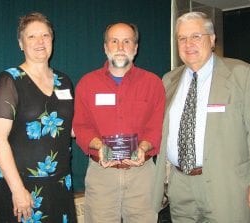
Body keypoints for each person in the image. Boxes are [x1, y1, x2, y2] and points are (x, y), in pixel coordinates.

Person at [153, 11, 250, 223]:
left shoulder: (241, 73)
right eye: (182, 38)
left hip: (226, 185)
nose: (188, 43)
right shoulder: (169, 80)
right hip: (180, 185)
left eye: (196, 36)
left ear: (211, 39)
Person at [0, 12, 77, 223]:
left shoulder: (64, 81)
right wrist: (18, 190)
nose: (40, 42)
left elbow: (71, 129)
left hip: (60, 184)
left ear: (52, 39)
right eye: (31, 37)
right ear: (20, 43)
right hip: (22, 186)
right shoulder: (9, 80)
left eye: (45, 35)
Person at [72, 22, 165, 223]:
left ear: (136, 48)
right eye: (114, 41)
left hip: (143, 174)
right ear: (106, 47)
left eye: (127, 41)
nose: (120, 47)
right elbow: (81, 126)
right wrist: (99, 146)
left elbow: (156, 126)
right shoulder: (87, 84)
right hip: (101, 173)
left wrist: (143, 147)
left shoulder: (153, 83)